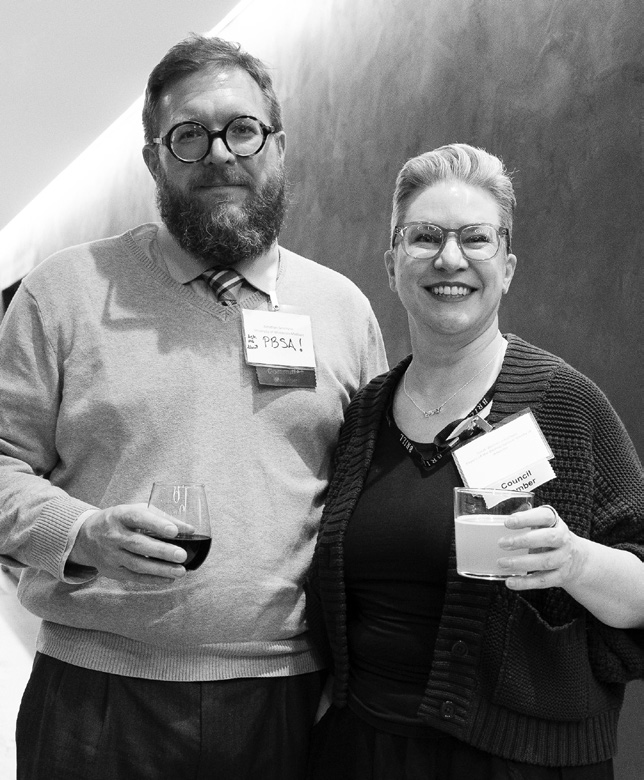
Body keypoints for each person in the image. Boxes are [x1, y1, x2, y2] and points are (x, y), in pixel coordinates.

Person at [0, 35, 387, 780]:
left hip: (289, 702)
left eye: (243, 130)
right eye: (189, 135)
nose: (220, 154)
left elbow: (364, 497)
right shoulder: (64, 292)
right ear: (154, 160)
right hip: (97, 697)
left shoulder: (342, 309)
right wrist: (81, 532)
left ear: (278, 146)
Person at [305, 143, 644, 779]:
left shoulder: (565, 404)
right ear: (392, 265)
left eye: (476, 238)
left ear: (507, 268)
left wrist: (574, 561)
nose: (450, 258)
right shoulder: (364, 414)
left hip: (521, 760)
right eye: (425, 236)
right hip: (364, 749)